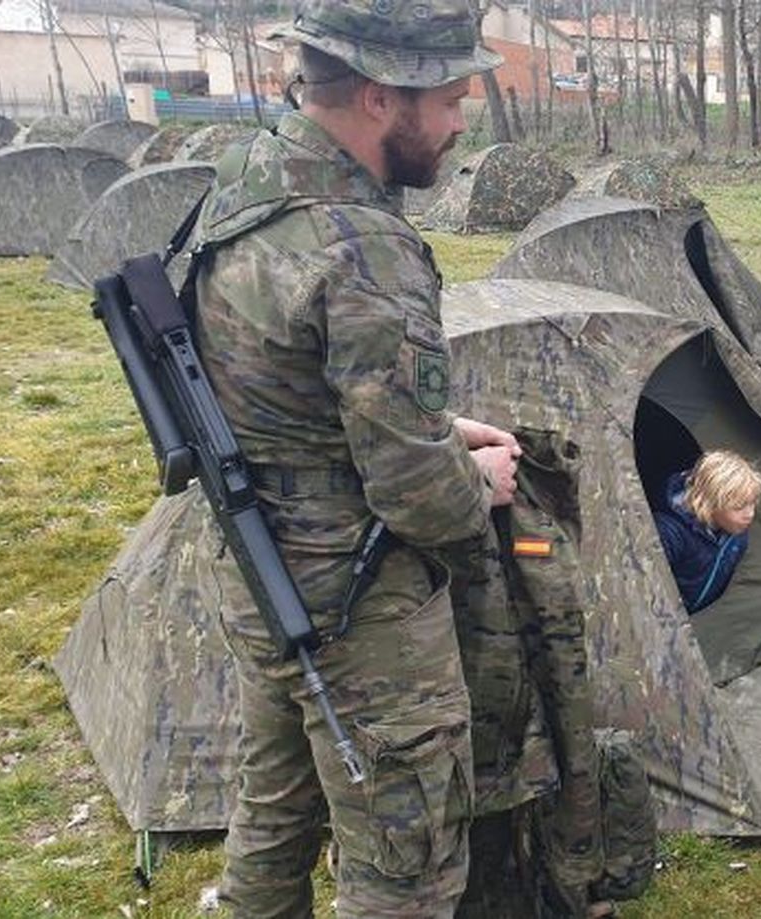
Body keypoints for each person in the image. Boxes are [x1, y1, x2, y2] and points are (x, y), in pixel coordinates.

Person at [190, 1, 518, 914]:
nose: (459, 125)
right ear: (383, 97)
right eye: (451, 100)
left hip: (260, 566)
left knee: (275, 808)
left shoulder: (249, 178)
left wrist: (439, 429)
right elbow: (421, 498)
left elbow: (286, 391)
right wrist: (473, 479)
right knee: (403, 859)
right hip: (356, 600)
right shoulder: (362, 244)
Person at [652, 450, 761, 613]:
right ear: (710, 503)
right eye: (739, 507)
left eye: (753, 503)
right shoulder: (668, 533)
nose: (750, 514)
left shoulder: (736, 533)